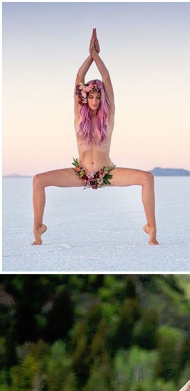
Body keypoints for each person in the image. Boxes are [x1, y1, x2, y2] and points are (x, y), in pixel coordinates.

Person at [32, 28, 158, 246]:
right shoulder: (78, 117)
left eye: (98, 96)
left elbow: (106, 78)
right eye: (90, 96)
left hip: (106, 172)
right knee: (38, 181)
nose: (94, 100)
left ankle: (151, 227)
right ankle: (38, 228)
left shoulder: (109, 118)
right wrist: (89, 54)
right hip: (80, 173)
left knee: (147, 178)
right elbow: (79, 77)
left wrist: (97, 56)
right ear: (85, 97)